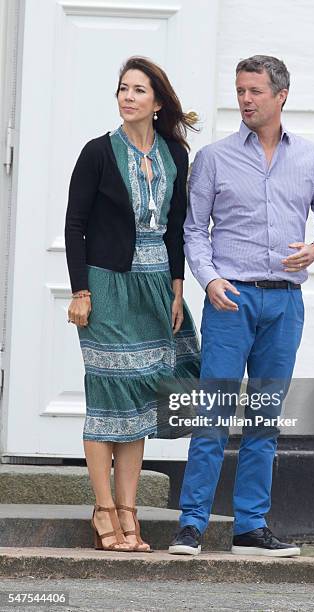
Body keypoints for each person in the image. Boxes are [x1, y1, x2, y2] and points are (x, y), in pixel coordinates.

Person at [169, 55, 314, 557]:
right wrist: (210, 279)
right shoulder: (215, 159)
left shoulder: (311, 159)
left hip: (285, 304)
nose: (245, 100)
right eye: (240, 90)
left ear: (280, 95)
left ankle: (250, 527)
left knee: (265, 417)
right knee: (212, 413)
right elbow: (192, 231)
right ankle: (192, 524)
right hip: (231, 301)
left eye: (255, 91)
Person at [65, 56, 200, 552]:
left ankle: (129, 513)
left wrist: (178, 287)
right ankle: (104, 513)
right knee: (107, 397)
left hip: (154, 287)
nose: (128, 97)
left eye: (139, 90)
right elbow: (74, 225)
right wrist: (81, 291)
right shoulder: (98, 152)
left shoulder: (173, 155)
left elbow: (179, 226)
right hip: (106, 286)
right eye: (123, 89)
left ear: (157, 102)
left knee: (140, 402)